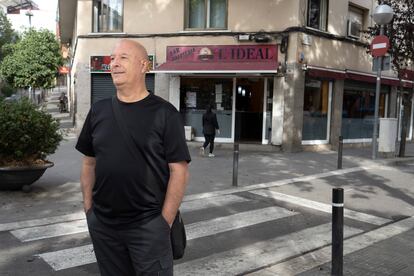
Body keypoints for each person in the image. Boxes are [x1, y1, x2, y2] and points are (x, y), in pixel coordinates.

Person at [75, 39, 191, 276]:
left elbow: (179, 171)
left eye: (123, 58)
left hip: (148, 227)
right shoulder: (99, 110)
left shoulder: (165, 114)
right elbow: (89, 163)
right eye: (112, 58)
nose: (114, 64)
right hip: (105, 227)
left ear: (143, 66)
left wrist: (163, 223)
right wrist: (90, 212)